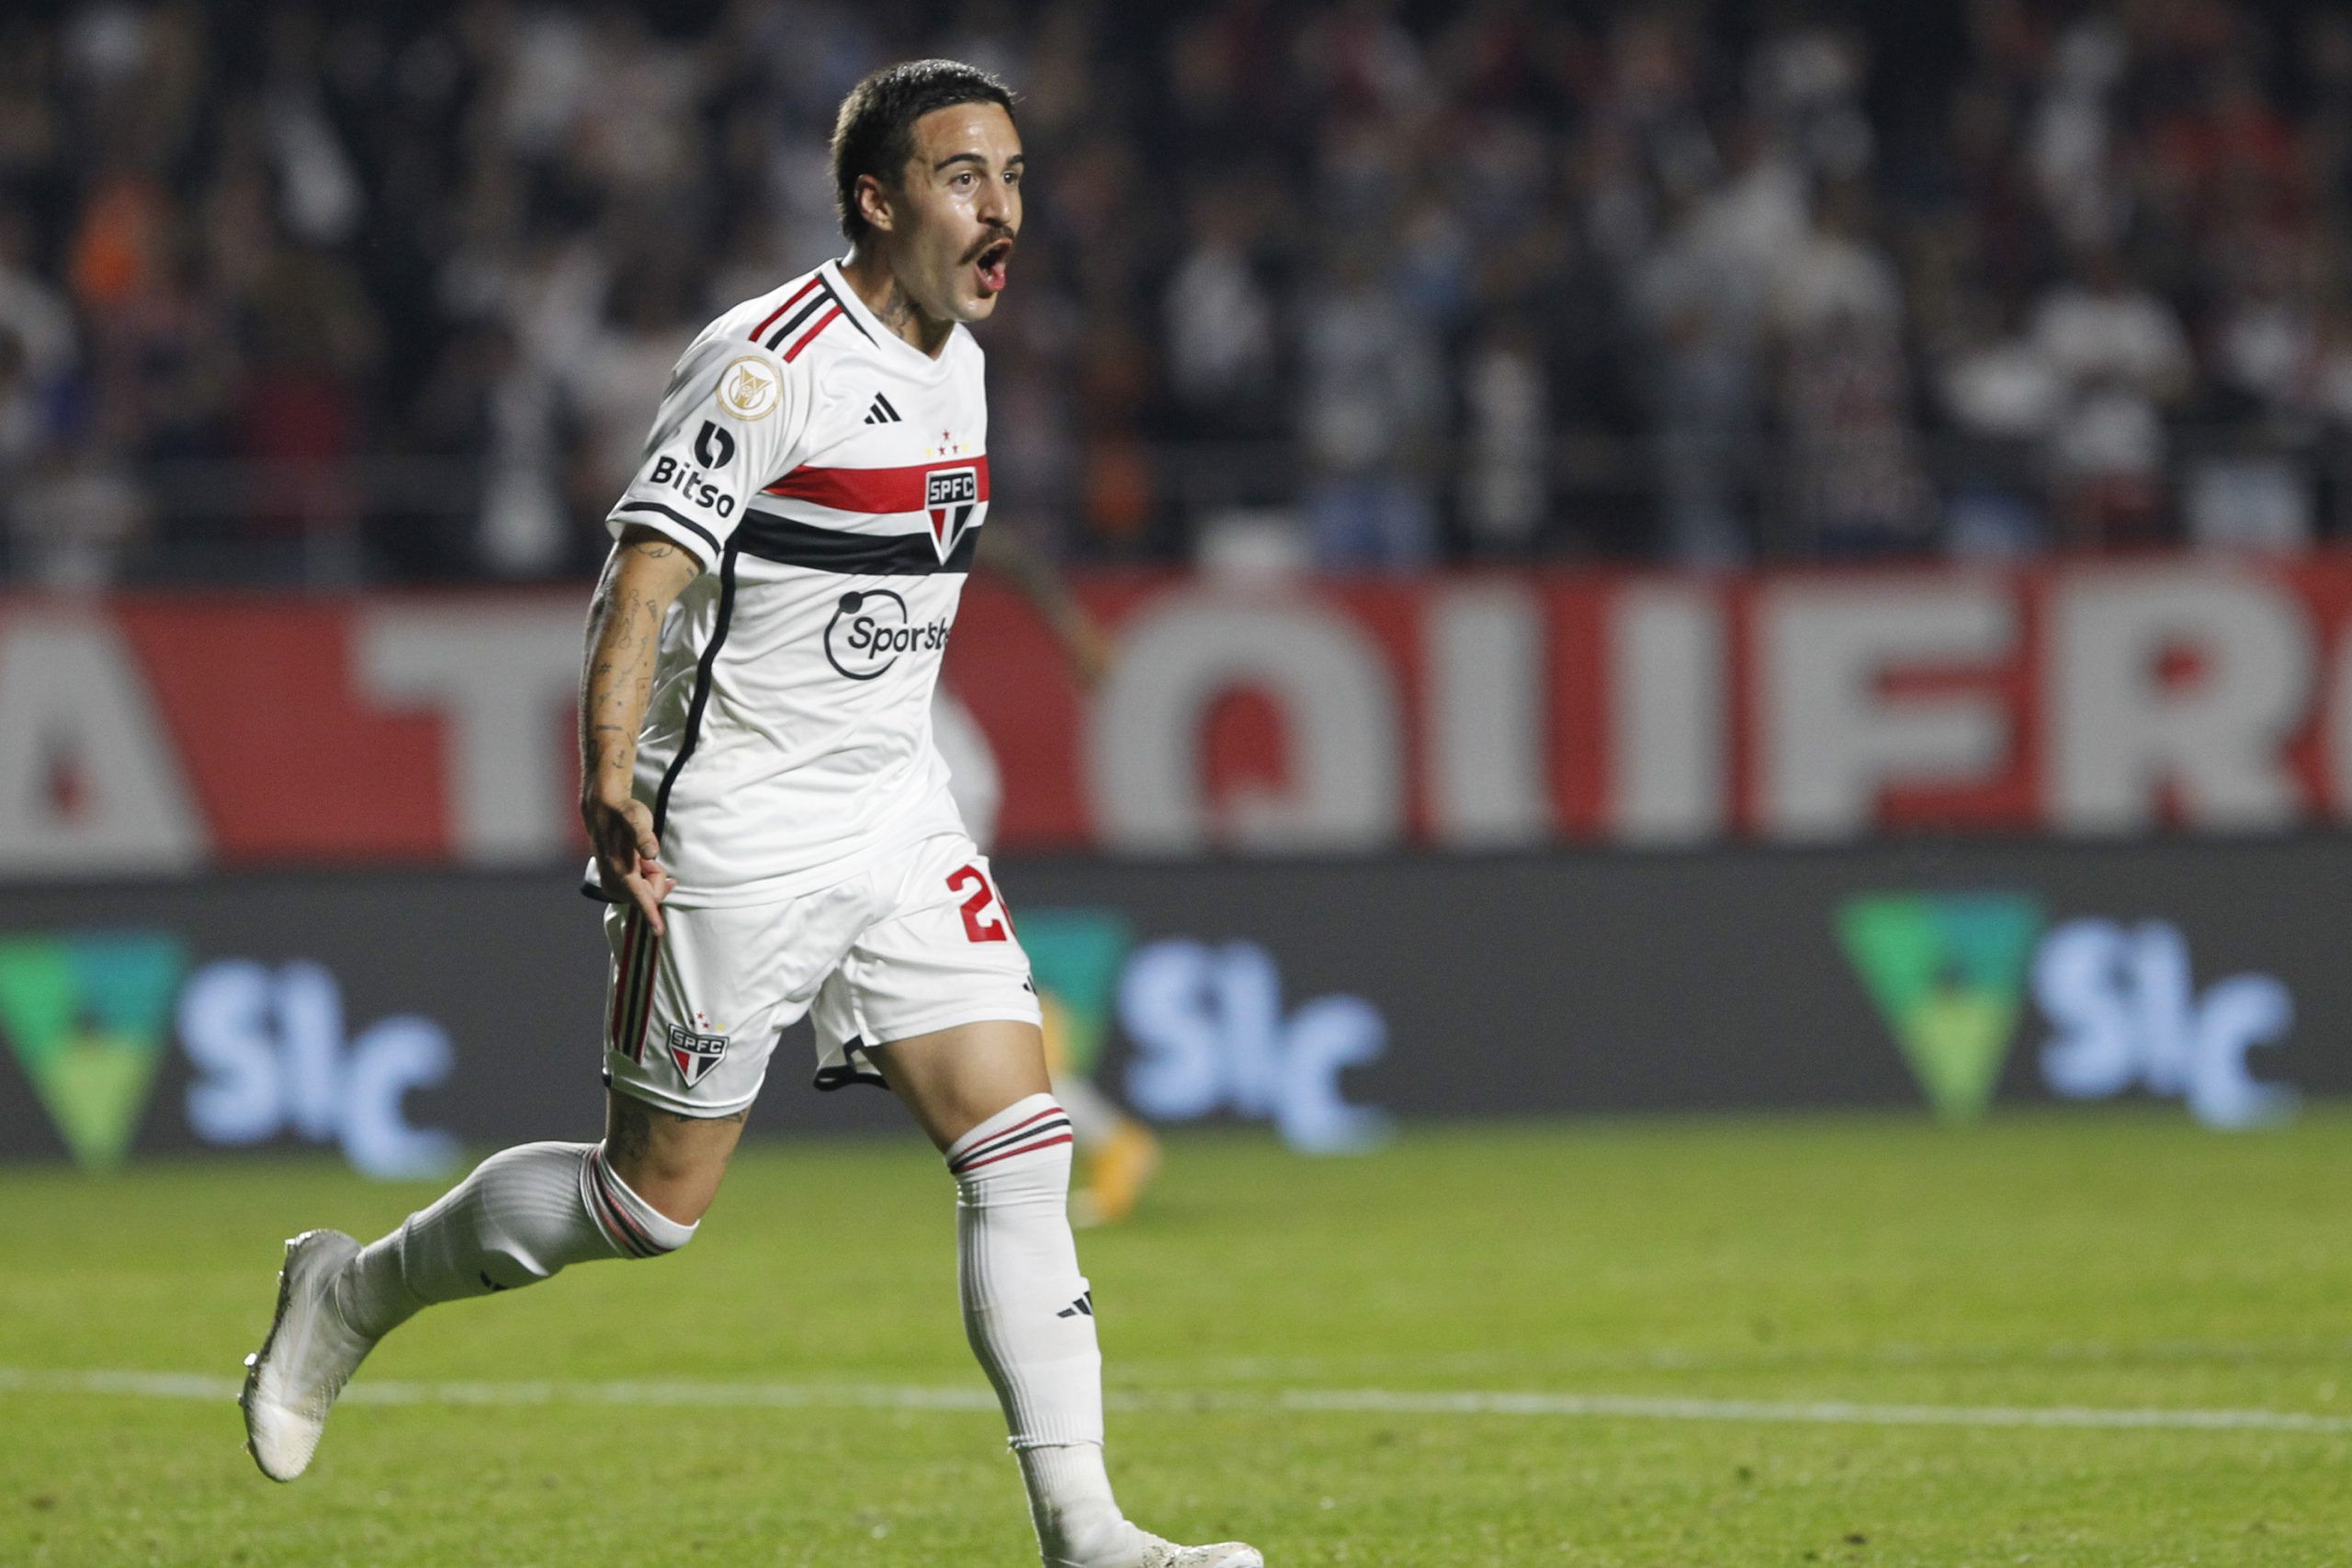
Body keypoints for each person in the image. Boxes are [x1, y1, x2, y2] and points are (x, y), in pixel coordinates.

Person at [236, 60, 1261, 1568]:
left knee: (1019, 1134)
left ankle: (1089, 1531)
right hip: (738, 816)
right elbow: (646, 577)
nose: (1005, 208)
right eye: (967, 176)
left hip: (896, 807)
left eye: (1018, 175)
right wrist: (606, 778)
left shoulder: (960, 359)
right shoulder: (764, 365)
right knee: (650, 1204)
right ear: (876, 198)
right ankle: (351, 1291)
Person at [936, 528, 1160, 1226]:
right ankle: (1094, 1135)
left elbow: (998, 548)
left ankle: (1099, 1135)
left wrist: (1069, 625)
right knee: (937, 999)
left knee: (948, 996)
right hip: (915, 783)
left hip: (926, 788)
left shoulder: (851, 495)